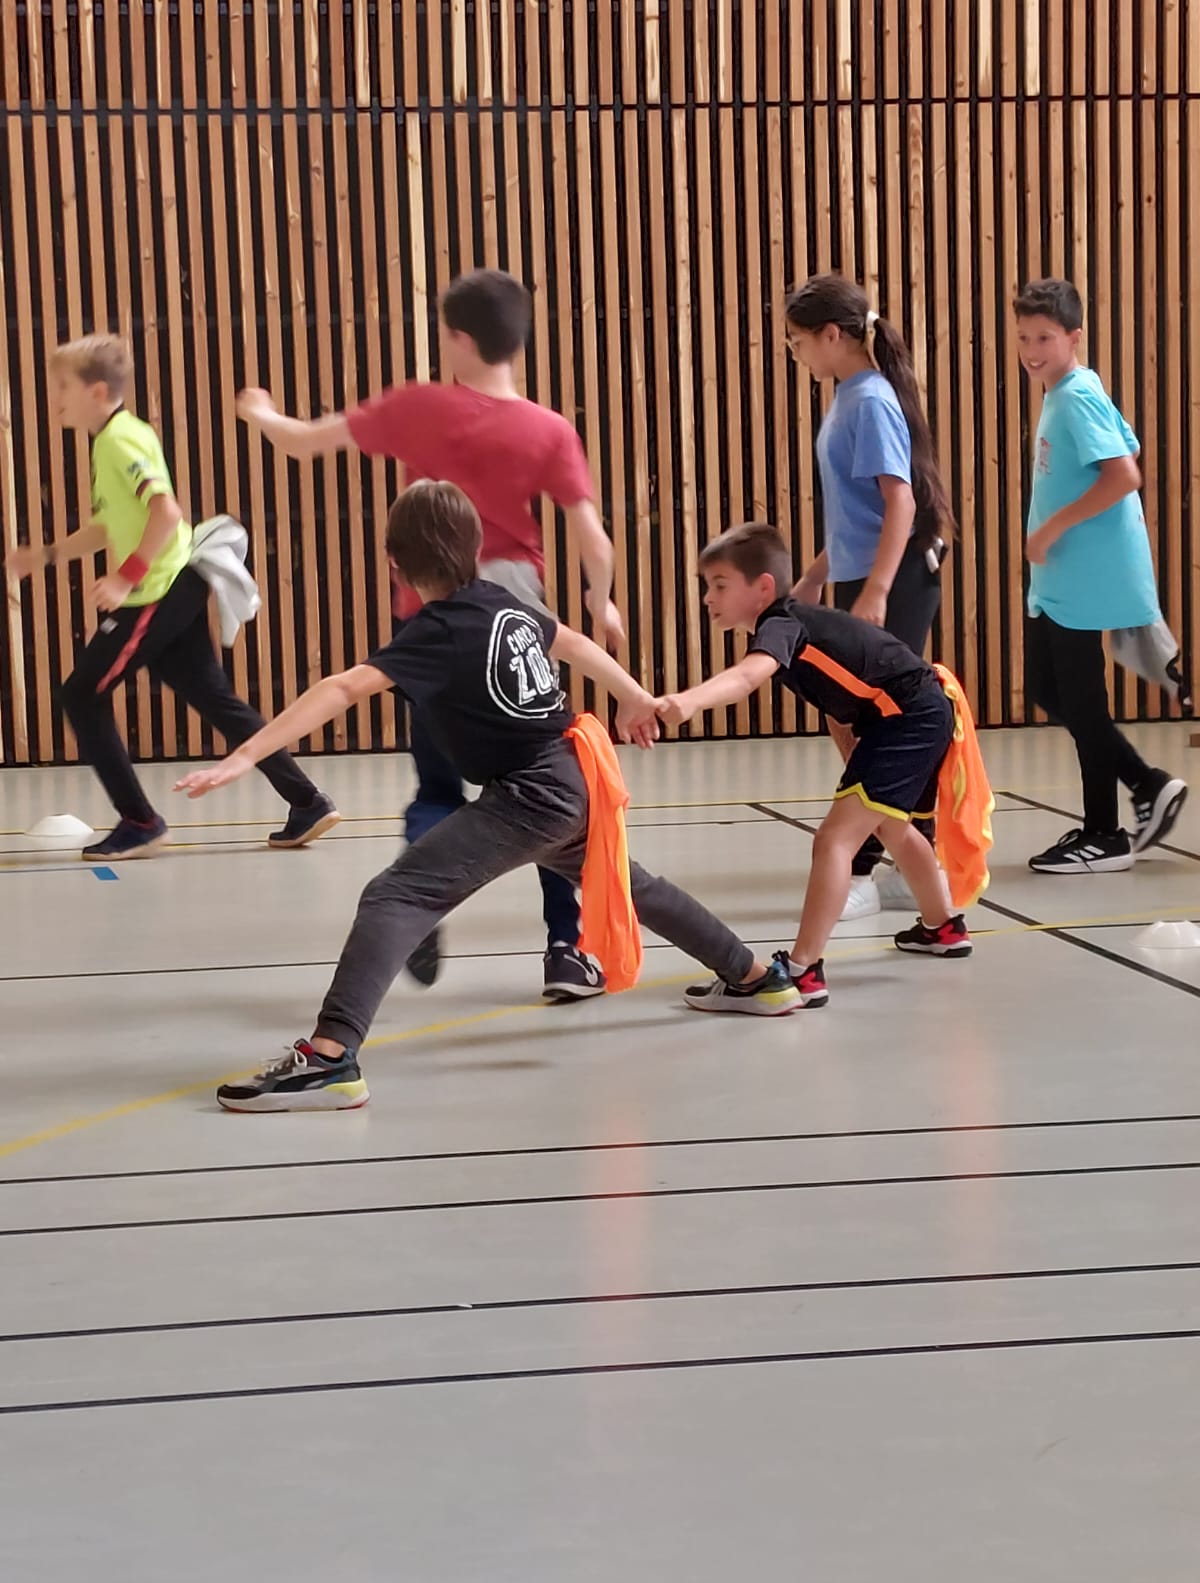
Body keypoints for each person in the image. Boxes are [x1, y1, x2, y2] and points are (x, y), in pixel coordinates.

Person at [175, 482, 804, 1112]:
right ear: (476, 550)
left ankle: (330, 1058)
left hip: (534, 793)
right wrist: (633, 695)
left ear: (395, 564)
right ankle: (754, 978)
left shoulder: (437, 630)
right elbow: (573, 642)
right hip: (571, 775)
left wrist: (246, 755)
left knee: (397, 893)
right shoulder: (501, 602)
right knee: (631, 884)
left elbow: (342, 688)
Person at [234, 268, 621, 1002]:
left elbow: (303, 442)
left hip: (434, 619)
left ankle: (421, 892)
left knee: (437, 780)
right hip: (516, 616)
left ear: (459, 338)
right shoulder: (549, 429)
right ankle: (566, 951)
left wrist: (260, 411)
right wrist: (602, 604)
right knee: (546, 775)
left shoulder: (419, 406)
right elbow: (593, 539)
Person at [3, 334, 338, 860]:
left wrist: (126, 578)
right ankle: (308, 802)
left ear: (96, 391)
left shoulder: (120, 440)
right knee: (212, 696)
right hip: (173, 582)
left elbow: (166, 512)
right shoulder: (112, 439)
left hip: (159, 588)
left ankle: (141, 821)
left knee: (81, 694)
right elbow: (109, 525)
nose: (54, 399)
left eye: (62, 387)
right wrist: (45, 555)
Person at [658, 523, 984, 1012]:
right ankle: (943, 927)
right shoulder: (797, 626)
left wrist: (687, 702)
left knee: (834, 840)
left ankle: (802, 970)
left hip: (909, 716)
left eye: (720, 585)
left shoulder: (781, 626)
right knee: (891, 825)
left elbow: (747, 677)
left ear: (763, 587)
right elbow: (843, 702)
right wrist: (857, 758)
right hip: (909, 714)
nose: (708, 597)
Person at [785, 273, 956, 918]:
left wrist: (878, 590)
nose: (796, 353)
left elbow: (900, 502)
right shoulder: (848, 396)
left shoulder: (871, 401)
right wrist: (817, 573)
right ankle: (899, 849)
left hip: (898, 576)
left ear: (833, 335)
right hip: (865, 573)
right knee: (850, 714)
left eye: (798, 341)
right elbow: (856, 513)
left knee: (883, 719)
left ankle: (881, 857)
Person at [1014, 277, 1187, 871]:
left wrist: (1051, 528)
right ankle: (1144, 785)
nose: (1032, 350)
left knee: (1081, 699)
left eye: (1044, 337)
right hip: (1064, 579)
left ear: (1074, 337)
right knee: (1048, 689)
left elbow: (1124, 473)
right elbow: (1126, 446)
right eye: (1023, 338)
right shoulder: (1070, 389)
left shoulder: (1076, 397)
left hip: (1083, 577)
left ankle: (1105, 833)